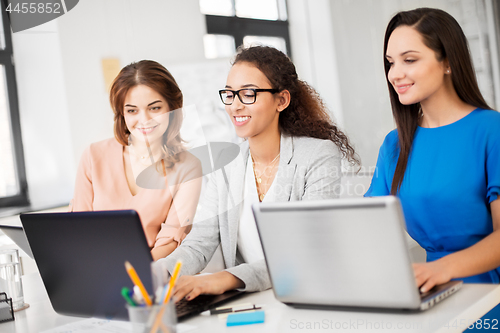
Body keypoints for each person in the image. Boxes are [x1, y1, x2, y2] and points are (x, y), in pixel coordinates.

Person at [155, 45, 359, 301]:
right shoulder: (226, 165)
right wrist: (154, 274)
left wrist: (225, 278)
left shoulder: (318, 155)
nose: (235, 106)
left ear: (281, 100)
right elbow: (198, 244)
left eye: (248, 94)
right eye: (229, 95)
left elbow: (303, 250)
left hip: (310, 296)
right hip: (251, 301)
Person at [365, 8, 500, 292]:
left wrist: (441, 269)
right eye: (390, 63)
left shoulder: (491, 130)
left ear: (448, 62)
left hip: (488, 293)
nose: (395, 74)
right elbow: (367, 226)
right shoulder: (394, 144)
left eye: (409, 60)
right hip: (429, 293)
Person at [70, 60, 202, 260]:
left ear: (172, 108)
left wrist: (132, 272)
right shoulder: (93, 156)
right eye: (132, 110)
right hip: (94, 267)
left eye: (155, 108)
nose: (144, 120)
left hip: (150, 273)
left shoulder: (188, 167)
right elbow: (77, 229)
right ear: (122, 114)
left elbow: (170, 241)